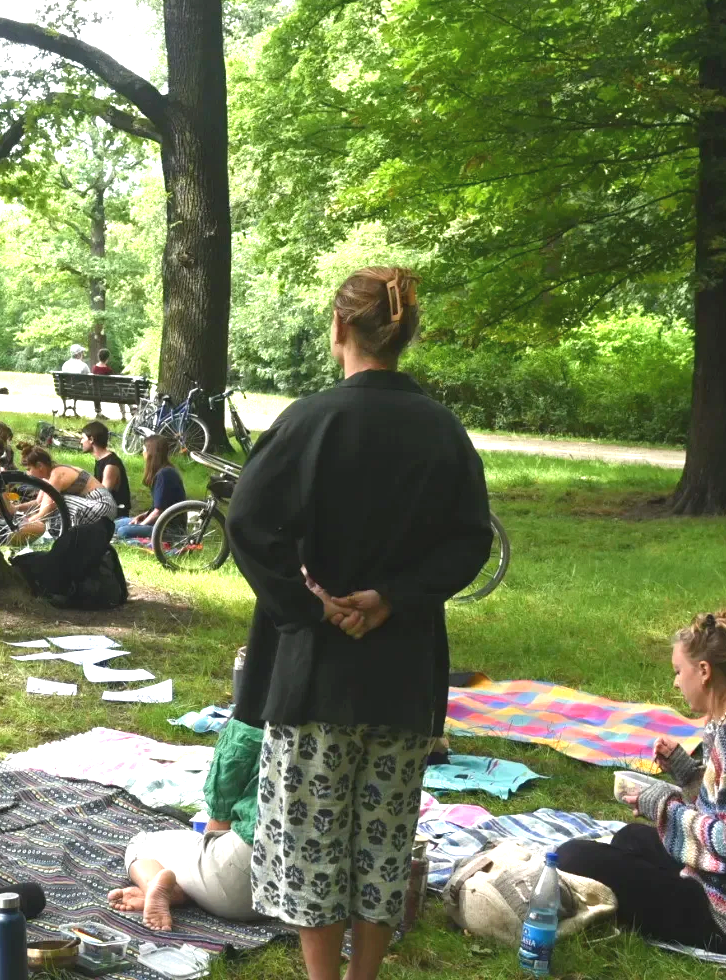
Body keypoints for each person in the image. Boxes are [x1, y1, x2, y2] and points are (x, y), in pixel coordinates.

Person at [226, 267, 493, 980]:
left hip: (318, 672)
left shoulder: (310, 420)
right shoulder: (442, 429)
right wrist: (396, 596)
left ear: (339, 328)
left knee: (313, 843)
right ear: (406, 335)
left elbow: (248, 524)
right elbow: (472, 540)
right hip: (403, 671)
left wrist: (310, 606)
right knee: (382, 840)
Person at [558, 611, 726, 958]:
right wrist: (688, 775)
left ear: (704, 671)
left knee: (573, 857)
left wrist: (664, 805)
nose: (676, 682)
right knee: (630, 838)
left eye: (679, 671)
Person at [109, 719, 264, 930]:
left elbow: (221, 812)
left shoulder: (250, 727)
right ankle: (183, 889)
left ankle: (158, 886)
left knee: (142, 843)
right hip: (313, 896)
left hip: (246, 890)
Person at [17, 444, 117, 529]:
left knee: (59, 501)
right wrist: (16, 508)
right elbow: (38, 503)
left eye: (29, 469)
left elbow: (45, 511)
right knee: (55, 502)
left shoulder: (57, 474)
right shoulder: (48, 477)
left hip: (103, 506)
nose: (28, 473)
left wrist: (21, 526)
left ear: (40, 466)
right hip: (91, 505)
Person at [115, 436, 185, 541]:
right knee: (116, 524)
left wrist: (140, 525)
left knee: (123, 531)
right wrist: (142, 516)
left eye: (143, 450)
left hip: (168, 529)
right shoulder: (163, 471)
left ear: (151, 453)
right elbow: (160, 506)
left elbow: (158, 512)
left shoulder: (164, 475)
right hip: (158, 522)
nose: (142, 453)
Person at [82, 421, 131, 518]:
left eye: (83, 438)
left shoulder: (110, 465)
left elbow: (102, 495)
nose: (81, 442)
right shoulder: (101, 460)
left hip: (115, 515)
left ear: (91, 439)